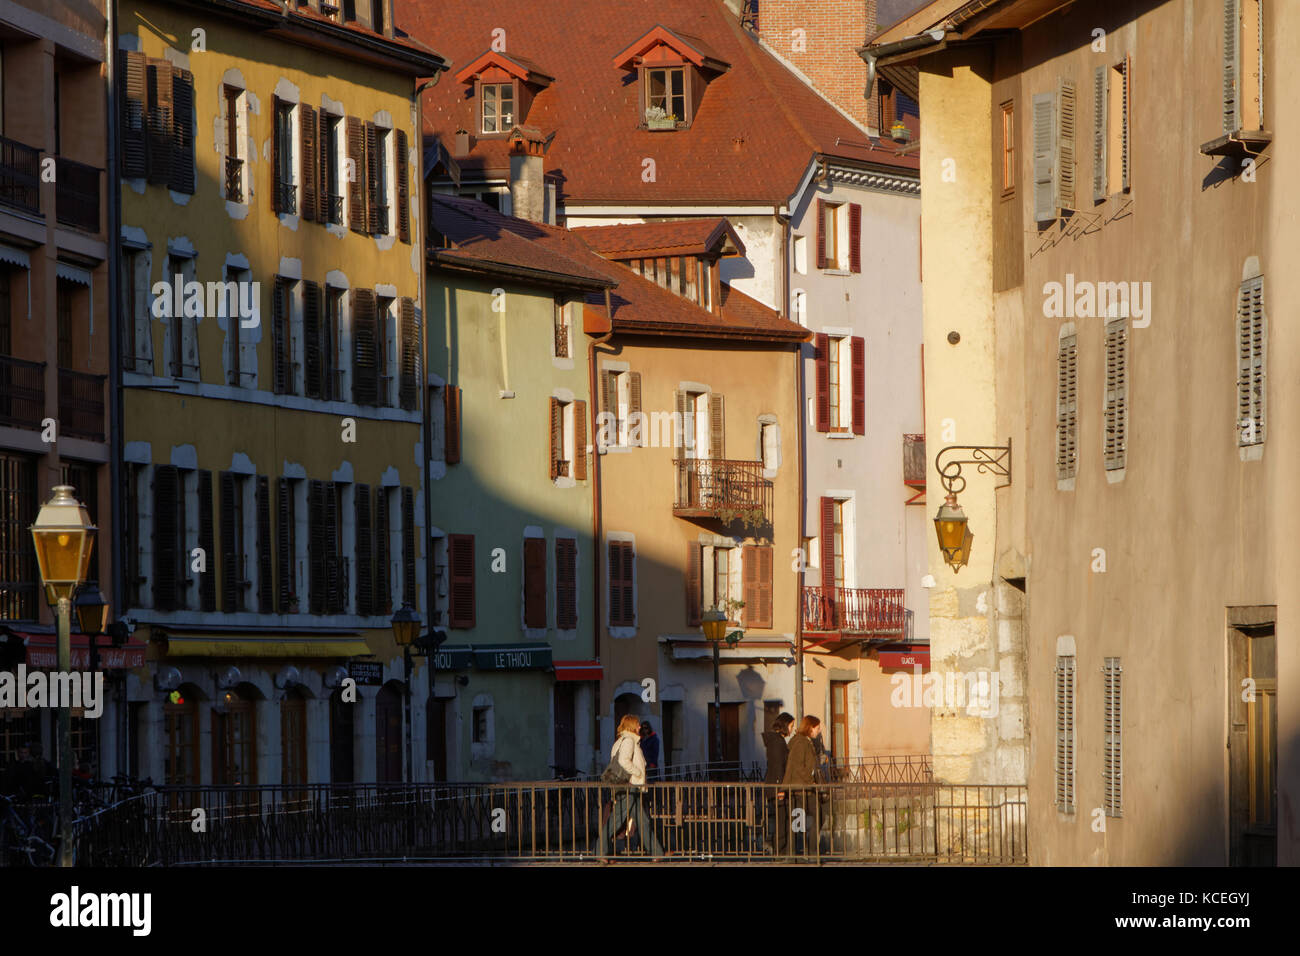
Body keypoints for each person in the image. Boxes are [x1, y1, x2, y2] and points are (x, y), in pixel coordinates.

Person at [602, 714, 666, 858]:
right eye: (637, 725)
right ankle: (600, 850)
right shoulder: (629, 741)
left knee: (642, 821)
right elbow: (624, 761)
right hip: (629, 786)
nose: (639, 727)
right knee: (617, 820)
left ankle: (657, 852)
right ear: (631, 726)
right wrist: (637, 772)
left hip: (628, 786)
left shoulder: (621, 741)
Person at [782, 716, 825, 856]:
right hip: (801, 789)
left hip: (801, 788)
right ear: (810, 728)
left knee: (798, 820)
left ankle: (797, 852)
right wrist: (810, 781)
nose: (819, 731)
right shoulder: (801, 743)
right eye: (817, 728)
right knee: (816, 817)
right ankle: (810, 852)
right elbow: (798, 766)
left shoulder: (803, 741)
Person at [762, 712, 795, 854]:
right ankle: (780, 852)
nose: (792, 729)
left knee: (780, 821)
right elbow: (777, 766)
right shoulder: (777, 742)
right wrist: (780, 788)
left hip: (775, 787)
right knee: (780, 822)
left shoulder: (777, 741)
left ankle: (780, 850)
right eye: (791, 725)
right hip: (777, 788)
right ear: (784, 725)